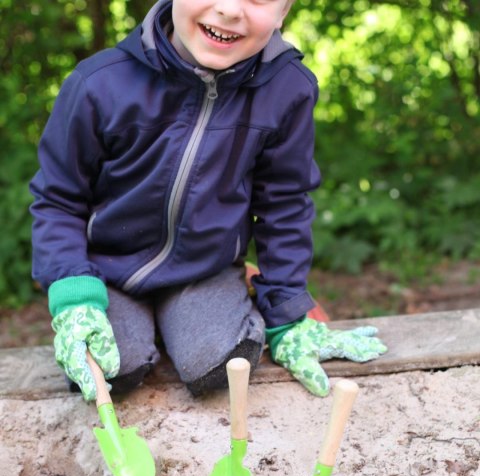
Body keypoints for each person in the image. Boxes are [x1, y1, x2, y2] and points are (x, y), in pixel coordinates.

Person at [30, 0, 387, 402]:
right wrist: (73, 294)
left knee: (219, 365)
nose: (231, 10)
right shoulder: (99, 82)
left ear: (283, 13)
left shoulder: (289, 90)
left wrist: (287, 314)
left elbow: (283, 205)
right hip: (108, 271)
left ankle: (231, 298)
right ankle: (135, 321)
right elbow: (58, 200)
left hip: (204, 270)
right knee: (113, 370)